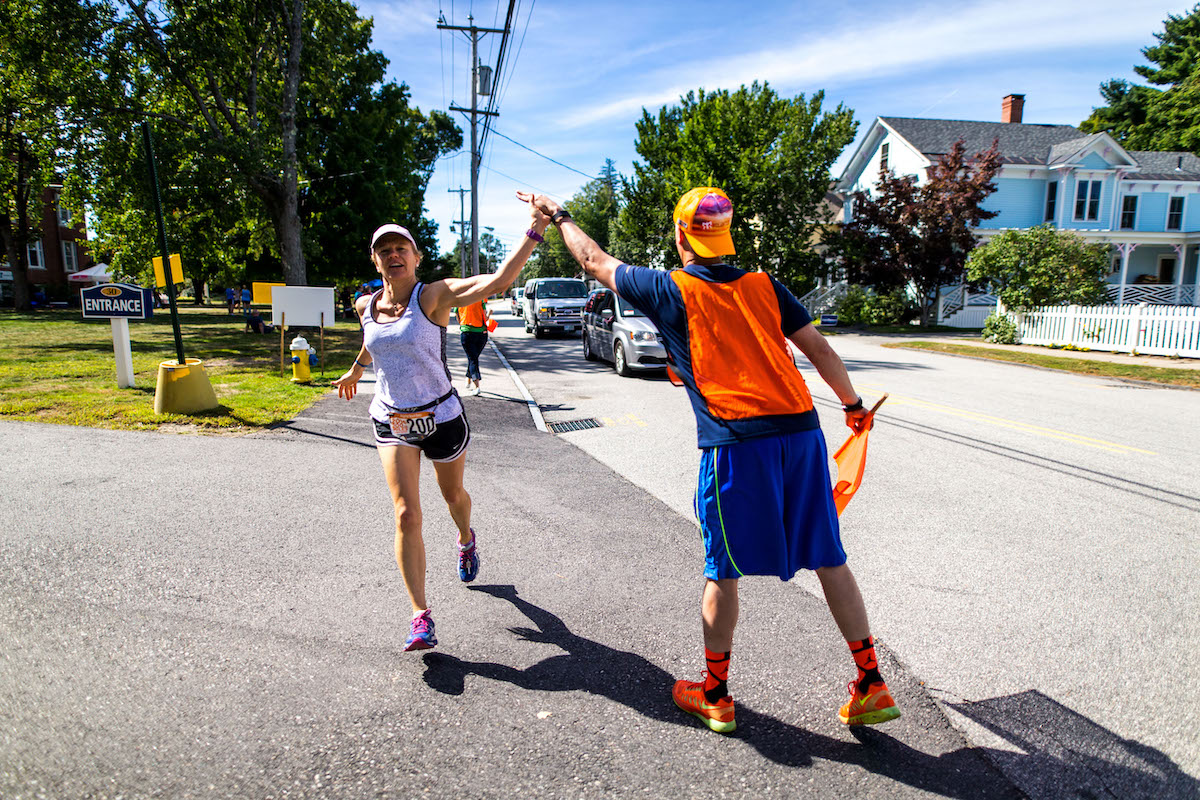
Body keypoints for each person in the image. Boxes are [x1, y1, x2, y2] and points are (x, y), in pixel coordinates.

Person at [517, 187, 899, 734]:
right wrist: (854, 407)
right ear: (726, 235)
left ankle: (715, 695)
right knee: (828, 557)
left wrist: (559, 215)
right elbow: (820, 350)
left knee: (723, 568)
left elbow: (594, 260)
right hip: (801, 435)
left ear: (681, 235)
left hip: (735, 444)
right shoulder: (765, 285)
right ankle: (871, 681)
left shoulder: (668, 287)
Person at [332, 204, 550, 651]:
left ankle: (466, 539)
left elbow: (498, 282)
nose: (394, 255)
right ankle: (420, 616)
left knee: (453, 497)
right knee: (406, 514)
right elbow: (375, 343)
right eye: (385, 250)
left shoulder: (433, 296)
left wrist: (535, 230)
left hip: (441, 417)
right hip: (391, 418)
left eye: (402, 248)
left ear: (416, 257)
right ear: (375, 261)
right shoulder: (365, 305)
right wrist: (356, 369)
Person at [454, 299, 491, 396]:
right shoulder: (480, 300)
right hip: (481, 334)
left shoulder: (460, 299)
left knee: (473, 358)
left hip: (466, 332)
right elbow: (485, 318)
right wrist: (490, 313)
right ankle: (476, 385)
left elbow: (457, 315)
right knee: (473, 358)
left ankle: (469, 378)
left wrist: (462, 325)